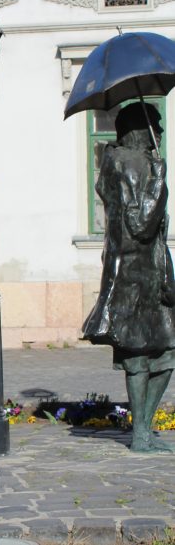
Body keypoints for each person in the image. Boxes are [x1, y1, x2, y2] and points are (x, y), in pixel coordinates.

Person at [83, 101, 175, 453]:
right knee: (140, 354)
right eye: (155, 125)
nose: (160, 133)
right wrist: (159, 180)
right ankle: (140, 433)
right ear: (139, 129)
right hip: (135, 274)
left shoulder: (120, 161)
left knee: (166, 353)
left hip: (145, 270)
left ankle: (145, 429)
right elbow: (140, 224)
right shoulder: (129, 163)